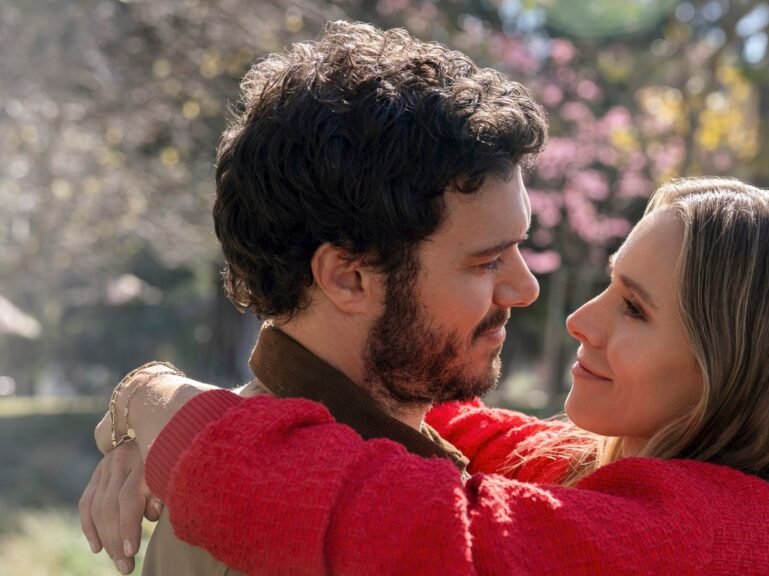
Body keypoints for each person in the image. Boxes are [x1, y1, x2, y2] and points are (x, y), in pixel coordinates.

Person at [93, 178, 769, 575]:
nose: (578, 317)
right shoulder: (632, 478)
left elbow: (413, 531)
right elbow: (447, 427)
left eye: (635, 308)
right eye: (610, 285)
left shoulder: (736, 547)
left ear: (746, 373)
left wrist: (170, 409)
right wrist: (192, 405)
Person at [78, 20, 546, 576]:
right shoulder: (280, 530)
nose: (526, 288)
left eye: (519, 248)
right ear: (348, 278)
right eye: (487, 261)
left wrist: (151, 397)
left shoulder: (266, 472)